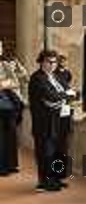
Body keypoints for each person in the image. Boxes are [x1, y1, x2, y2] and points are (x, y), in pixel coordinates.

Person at [28, 50, 67, 191]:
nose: (52, 65)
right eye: (49, 62)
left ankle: (56, 178)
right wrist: (64, 96)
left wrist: (64, 95)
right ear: (41, 62)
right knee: (45, 152)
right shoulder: (37, 78)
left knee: (58, 151)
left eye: (54, 62)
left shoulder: (55, 77)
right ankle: (44, 182)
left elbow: (70, 91)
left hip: (58, 121)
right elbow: (51, 97)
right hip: (44, 123)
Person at [0, 44, 26, 176]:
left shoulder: (4, 65)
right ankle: (1, 166)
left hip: (9, 104)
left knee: (11, 135)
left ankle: (11, 164)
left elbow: (17, 81)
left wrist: (4, 84)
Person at [54, 54, 76, 179]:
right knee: (60, 143)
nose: (63, 63)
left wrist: (70, 94)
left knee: (65, 142)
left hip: (66, 110)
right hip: (58, 112)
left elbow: (68, 85)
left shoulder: (67, 73)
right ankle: (59, 171)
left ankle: (64, 171)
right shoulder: (54, 75)